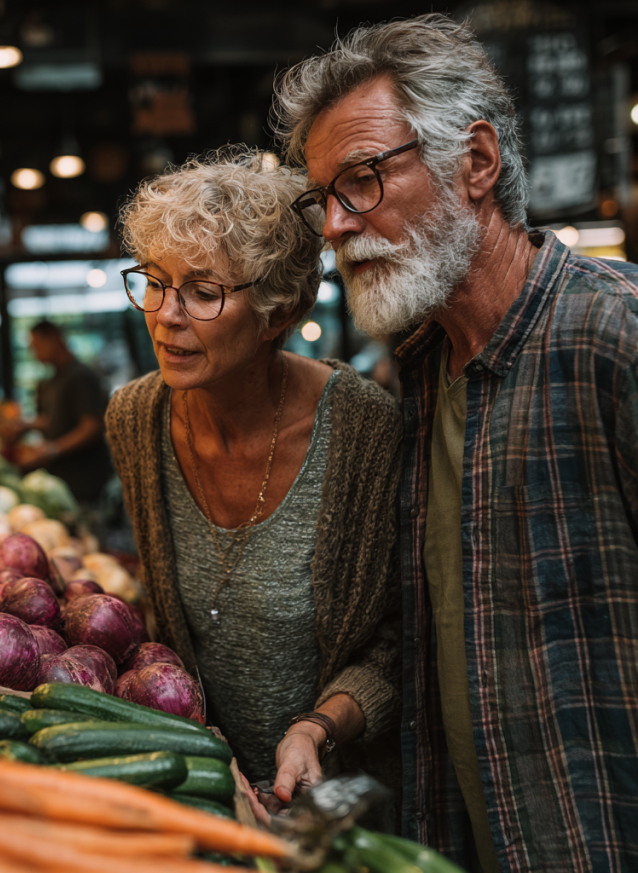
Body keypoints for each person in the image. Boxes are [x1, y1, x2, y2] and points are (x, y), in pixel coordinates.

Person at [273, 13, 638, 872]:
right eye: (321, 194)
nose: (333, 223)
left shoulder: (610, 334)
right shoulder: (420, 374)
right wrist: (322, 720)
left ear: (475, 163)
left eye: (360, 180)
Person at [105, 147, 402, 824]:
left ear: (277, 312)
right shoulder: (134, 418)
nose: (165, 314)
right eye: (153, 281)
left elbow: (396, 640)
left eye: (202, 292)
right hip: (199, 801)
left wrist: (316, 727)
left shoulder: (362, 429)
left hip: (335, 810)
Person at [12, 321, 111, 504]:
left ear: (55, 339)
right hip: (63, 480)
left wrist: (52, 449)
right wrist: (25, 425)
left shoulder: (80, 376)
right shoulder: (54, 379)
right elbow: (55, 421)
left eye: (37, 346)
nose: (35, 354)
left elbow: (91, 427)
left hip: (83, 481)